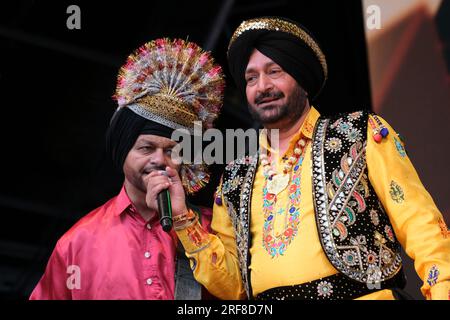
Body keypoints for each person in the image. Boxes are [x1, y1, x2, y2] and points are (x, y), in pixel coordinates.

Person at [168, 17, 450, 300]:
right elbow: (233, 286)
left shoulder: (358, 133)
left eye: (274, 71)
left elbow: (420, 224)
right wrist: (182, 216)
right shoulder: (234, 177)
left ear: (302, 78)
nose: (262, 86)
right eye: (251, 78)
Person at [30, 38, 224, 300]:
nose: (159, 160)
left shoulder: (215, 230)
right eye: (146, 148)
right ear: (122, 152)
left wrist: (184, 224)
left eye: (172, 151)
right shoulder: (78, 242)